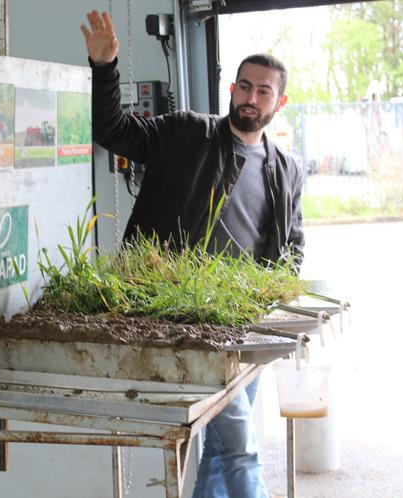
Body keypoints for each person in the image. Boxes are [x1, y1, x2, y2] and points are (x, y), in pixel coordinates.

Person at [81, 10, 304, 498]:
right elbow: (113, 130)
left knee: (221, 452)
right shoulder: (187, 133)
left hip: (245, 324)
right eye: (244, 86)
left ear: (279, 101)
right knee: (240, 444)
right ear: (232, 90)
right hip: (185, 321)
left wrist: (279, 306)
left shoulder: (286, 168)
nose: (250, 97)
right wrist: (105, 66)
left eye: (263, 91)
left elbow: (292, 243)